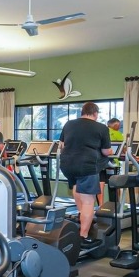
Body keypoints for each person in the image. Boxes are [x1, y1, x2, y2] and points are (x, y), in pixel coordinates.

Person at [58, 102, 113, 248]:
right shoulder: (101, 127)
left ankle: (83, 216)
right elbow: (106, 151)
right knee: (89, 201)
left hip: (67, 164)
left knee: (76, 186)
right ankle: (83, 236)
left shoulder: (69, 124)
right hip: (86, 165)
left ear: (82, 112)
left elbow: (61, 145)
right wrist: (111, 151)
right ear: (95, 113)